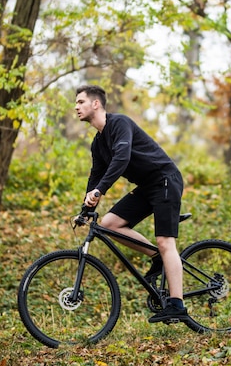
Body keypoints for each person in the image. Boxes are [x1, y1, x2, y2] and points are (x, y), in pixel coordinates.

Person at [75, 84, 188, 324]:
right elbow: (96, 176)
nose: (76, 107)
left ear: (96, 104)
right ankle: (158, 258)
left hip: (165, 179)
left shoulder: (119, 124)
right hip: (147, 187)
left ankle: (177, 304)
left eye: (80, 102)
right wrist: (85, 210)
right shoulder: (98, 143)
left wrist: (100, 190)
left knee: (165, 241)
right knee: (109, 223)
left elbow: (122, 157)